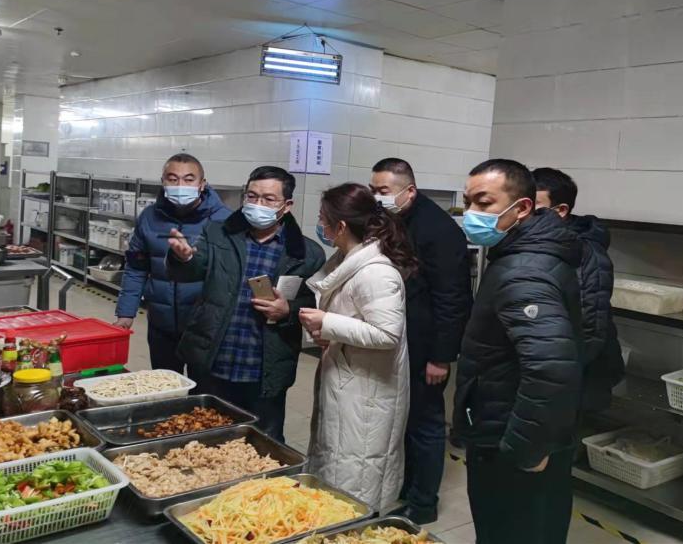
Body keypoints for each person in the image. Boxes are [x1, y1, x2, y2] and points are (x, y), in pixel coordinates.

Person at [453, 159, 584, 544]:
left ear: (523, 207)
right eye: (468, 202)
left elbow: (551, 368)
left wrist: (527, 449)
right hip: (506, 421)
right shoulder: (518, 255)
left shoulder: (523, 271)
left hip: (508, 438)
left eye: (484, 203)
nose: (471, 214)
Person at [166, 166, 325, 441]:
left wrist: (288, 310)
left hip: (264, 365)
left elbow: (314, 302)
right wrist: (184, 259)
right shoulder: (218, 233)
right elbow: (190, 272)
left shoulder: (307, 253)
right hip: (214, 355)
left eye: (268, 199)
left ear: (287, 205)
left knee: (263, 441)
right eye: (251, 196)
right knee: (204, 436)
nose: (257, 204)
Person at [298, 183, 414, 513]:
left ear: (341, 226)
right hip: (350, 382)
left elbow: (387, 334)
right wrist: (328, 332)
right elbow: (357, 322)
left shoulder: (376, 273)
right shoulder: (348, 260)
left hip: (367, 393)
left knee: (357, 476)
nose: (320, 226)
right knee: (338, 468)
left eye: (323, 219)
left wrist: (328, 322)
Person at [369, 158, 471, 524]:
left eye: (383, 191)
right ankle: (405, 486)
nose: (377, 197)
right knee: (404, 421)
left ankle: (423, 503)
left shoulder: (438, 230)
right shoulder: (396, 218)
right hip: (402, 340)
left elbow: (453, 298)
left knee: (425, 424)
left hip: (426, 347)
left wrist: (441, 357)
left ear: (409, 191)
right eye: (373, 190)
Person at [114, 153, 230, 372]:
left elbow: (229, 277)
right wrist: (126, 313)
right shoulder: (149, 217)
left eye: (189, 179)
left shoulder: (223, 221)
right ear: (163, 182)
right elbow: (136, 268)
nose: (180, 186)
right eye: (173, 179)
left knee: (203, 388)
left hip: (204, 328)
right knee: (166, 384)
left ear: (202, 184)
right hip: (161, 325)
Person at [533, 167, 624, 413]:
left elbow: (590, 325)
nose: (525, 213)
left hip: (578, 374)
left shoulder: (584, 252)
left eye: (535, 206)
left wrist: (557, 376)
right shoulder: (542, 241)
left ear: (561, 210)